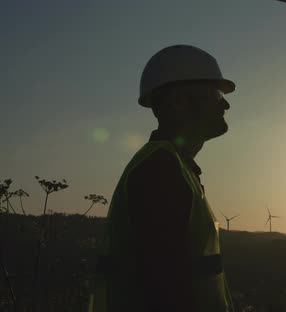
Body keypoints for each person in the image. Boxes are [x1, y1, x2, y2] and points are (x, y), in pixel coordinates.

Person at [93, 44, 235, 311]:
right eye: (216, 93)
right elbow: (166, 292)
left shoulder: (177, 169)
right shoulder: (159, 172)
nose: (226, 103)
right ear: (180, 101)